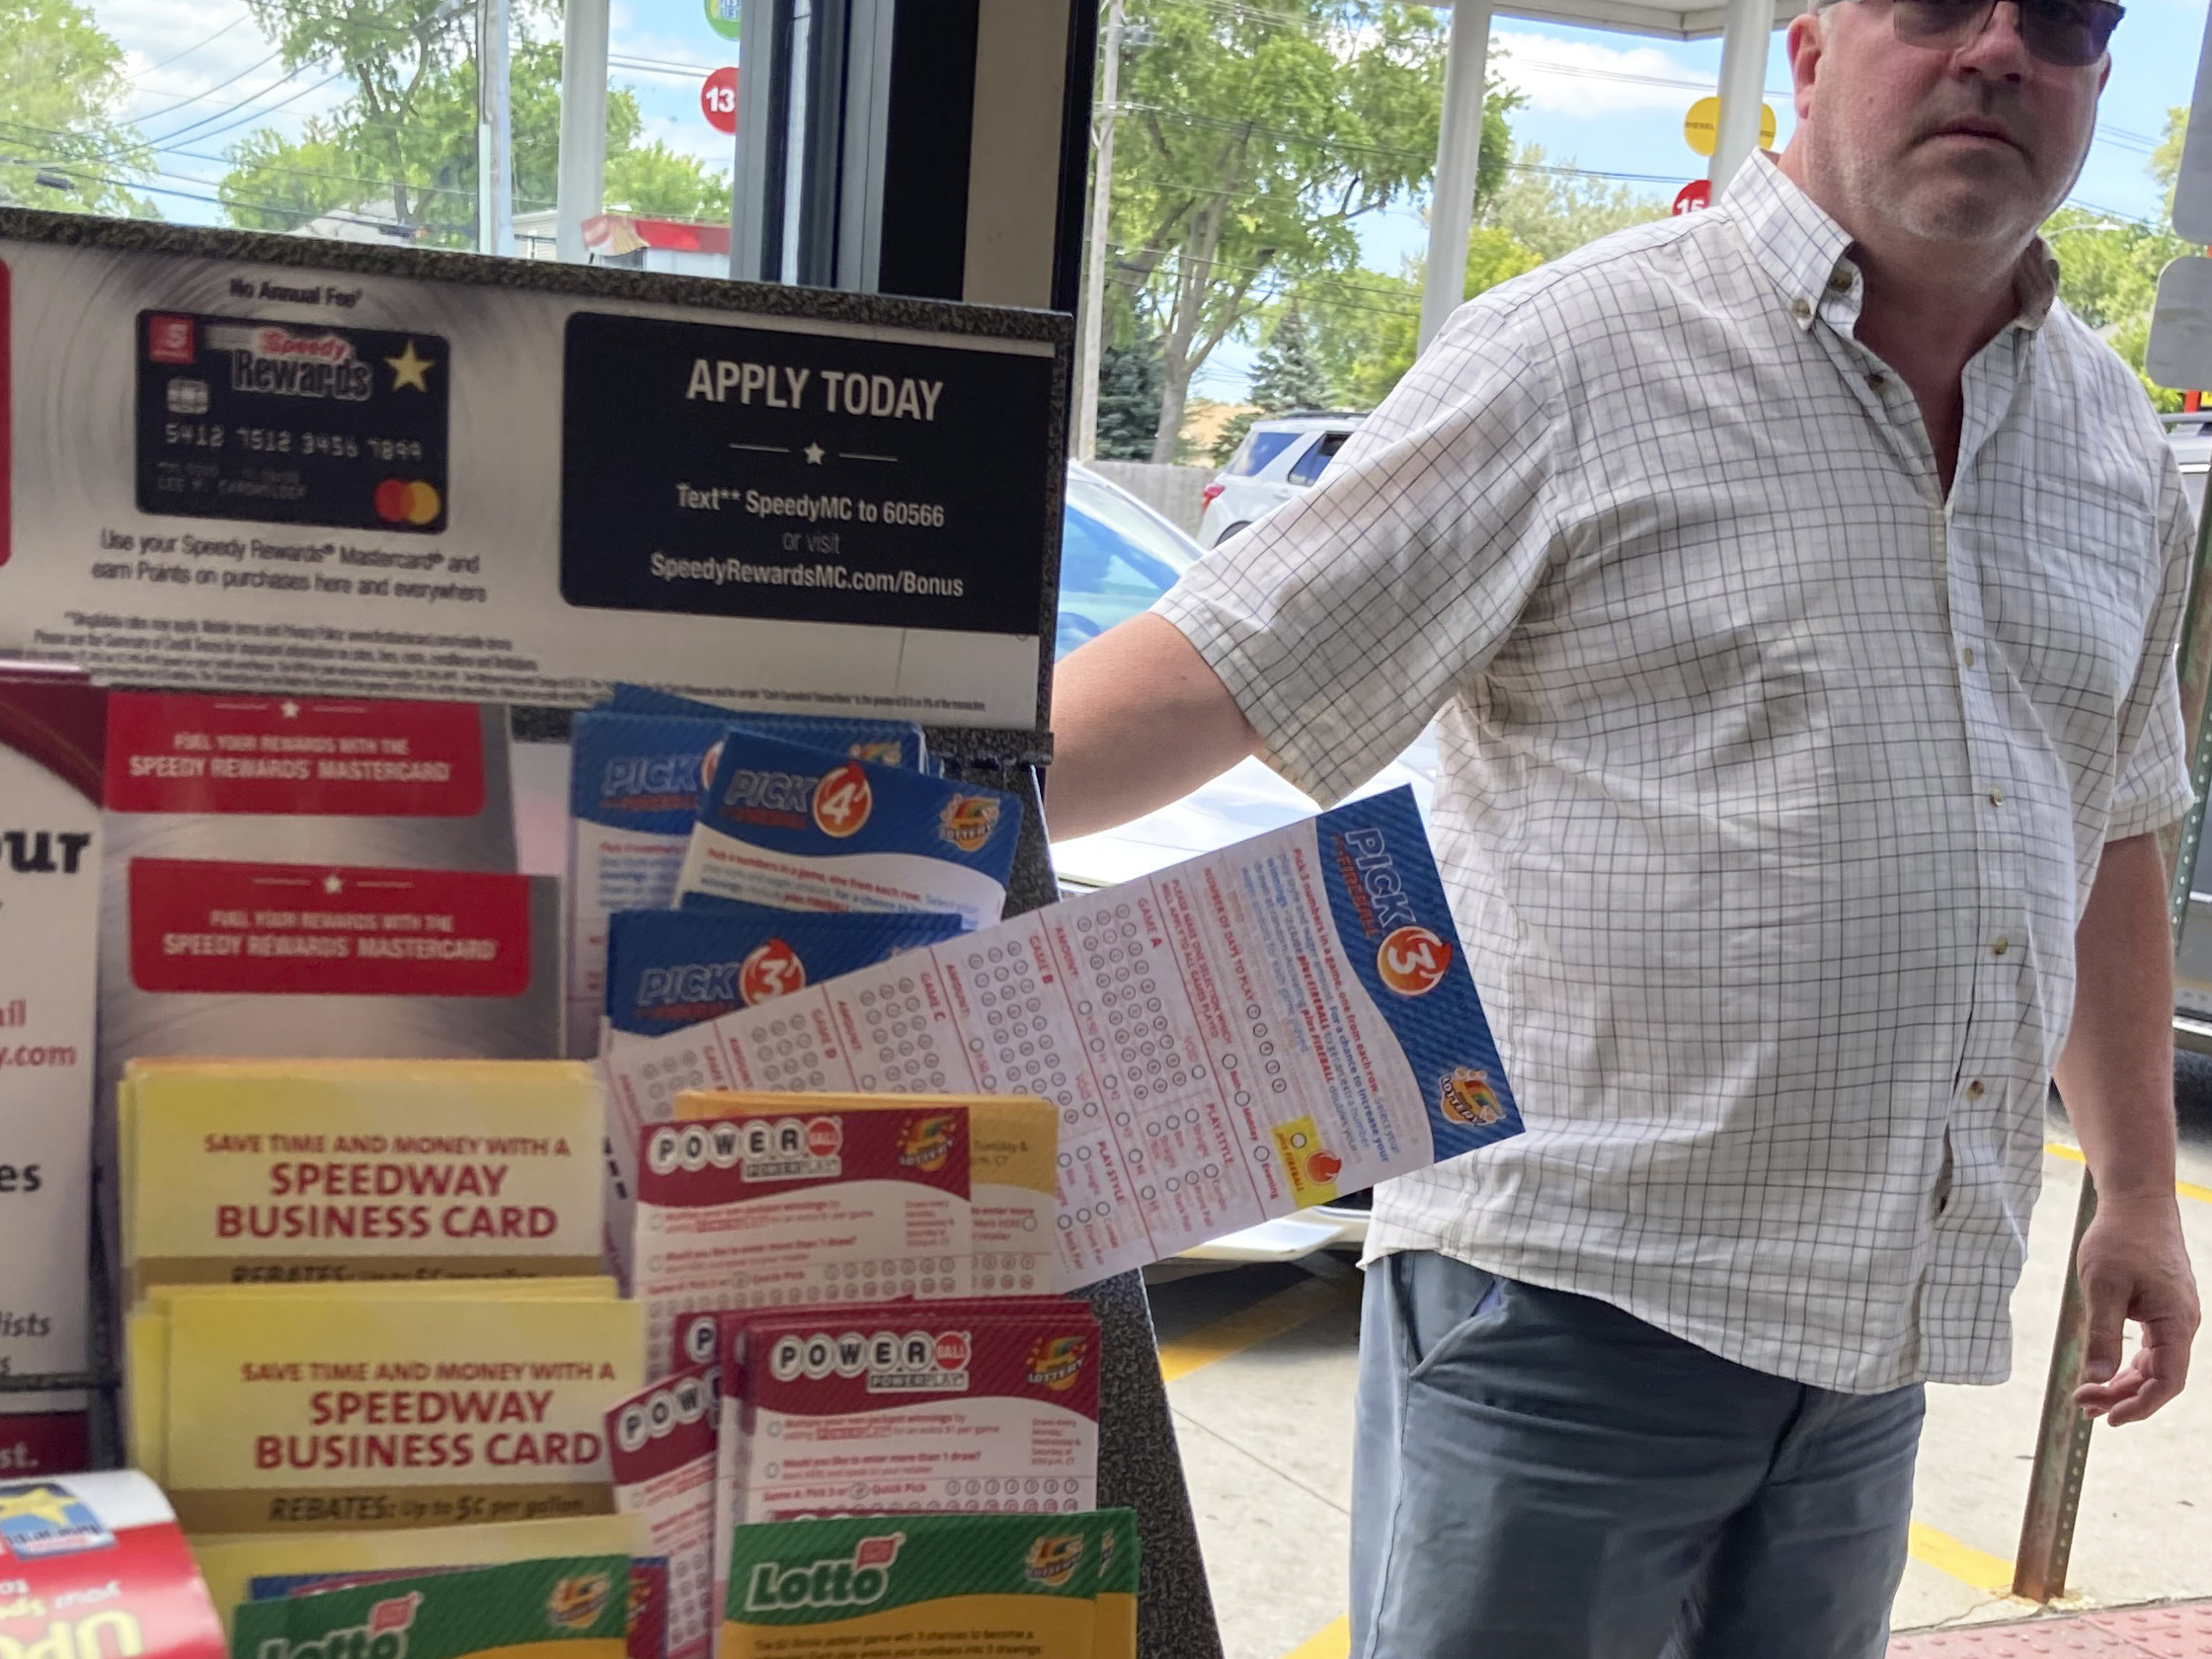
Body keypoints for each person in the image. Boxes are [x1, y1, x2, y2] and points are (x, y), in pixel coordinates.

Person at [1046, 0, 2202, 1652]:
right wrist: (843, 829)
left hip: (1877, 1344)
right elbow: (1223, 669)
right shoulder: (1578, 356)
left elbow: (2113, 831)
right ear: (1810, 51)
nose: (2001, 50)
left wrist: (2144, 1201)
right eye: (1937, 3)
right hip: (1564, 1321)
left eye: (2068, 19)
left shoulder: (2110, 445)